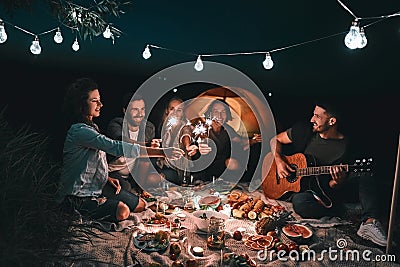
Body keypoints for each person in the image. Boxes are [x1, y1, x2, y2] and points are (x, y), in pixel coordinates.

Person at [58, 77, 183, 223]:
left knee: (141, 205)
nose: (100, 104)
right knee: (123, 211)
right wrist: (162, 151)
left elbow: (93, 165)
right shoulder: (80, 131)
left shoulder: (93, 127)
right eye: (94, 101)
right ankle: (74, 213)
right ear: (81, 103)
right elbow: (118, 146)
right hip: (77, 196)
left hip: (100, 186)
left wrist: (106, 178)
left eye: (100, 100)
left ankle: (106, 200)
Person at [269, 102, 387, 247]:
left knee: (365, 174)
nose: (312, 119)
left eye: (317, 116)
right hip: (304, 188)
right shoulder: (304, 130)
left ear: (332, 121)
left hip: (324, 190)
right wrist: (279, 160)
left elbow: (331, 186)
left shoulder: (347, 148)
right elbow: (275, 140)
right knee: (300, 202)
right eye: (313, 114)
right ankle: (345, 210)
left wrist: (337, 182)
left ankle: (369, 222)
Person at [106, 92, 161, 194]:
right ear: (125, 111)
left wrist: (154, 147)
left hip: (134, 172)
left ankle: (138, 188)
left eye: (142, 109)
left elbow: (145, 157)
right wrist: (149, 145)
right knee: (125, 188)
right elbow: (122, 142)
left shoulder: (148, 127)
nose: (140, 114)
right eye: (135, 109)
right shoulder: (116, 123)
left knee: (155, 178)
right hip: (112, 171)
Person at [198, 99, 262, 181]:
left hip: (223, 166)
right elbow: (198, 140)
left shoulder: (227, 128)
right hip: (206, 167)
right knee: (232, 163)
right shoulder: (204, 128)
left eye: (223, 112)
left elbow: (240, 141)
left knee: (251, 150)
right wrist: (200, 147)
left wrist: (254, 140)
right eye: (216, 112)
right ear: (210, 113)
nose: (220, 116)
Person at [157, 97, 205, 185]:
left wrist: (187, 146)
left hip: (177, 170)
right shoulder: (163, 127)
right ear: (167, 110)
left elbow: (186, 134)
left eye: (179, 110)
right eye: (172, 109)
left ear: (182, 113)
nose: (175, 113)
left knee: (159, 177)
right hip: (162, 164)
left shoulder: (185, 126)